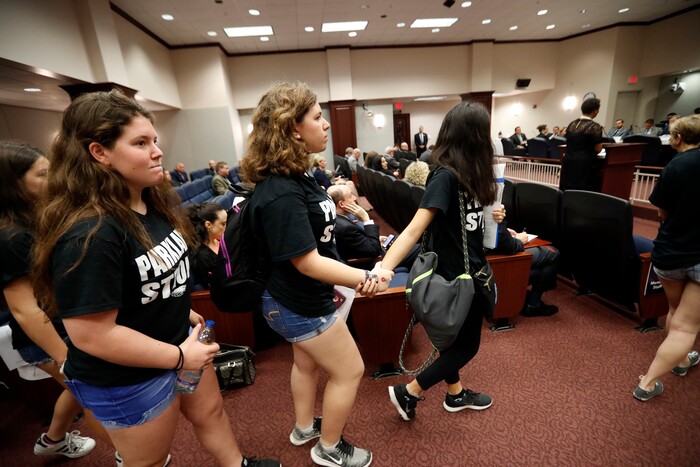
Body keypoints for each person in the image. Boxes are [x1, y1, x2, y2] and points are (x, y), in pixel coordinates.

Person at [31, 90, 279, 467]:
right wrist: (180, 356)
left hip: (178, 344)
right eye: (140, 143)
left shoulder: (151, 202)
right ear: (99, 152)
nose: (157, 151)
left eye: (155, 140)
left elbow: (153, 279)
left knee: (211, 414)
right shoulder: (92, 231)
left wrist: (179, 312)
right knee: (149, 460)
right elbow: (91, 334)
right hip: (129, 375)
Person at [239, 81, 394, 467]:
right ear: (293, 127)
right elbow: (306, 261)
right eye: (318, 117)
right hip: (297, 299)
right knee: (350, 369)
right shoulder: (281, 192)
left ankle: (305, 427)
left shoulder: (297, 175)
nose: (325, 125)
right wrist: (364, 278)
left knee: (306, 363)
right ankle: (328, 448)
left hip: (296, 297)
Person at [378, 101, 497, 421]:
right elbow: (414, 229)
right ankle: (410, 391)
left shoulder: (470, 175)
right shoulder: (444, 177)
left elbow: (474, 226)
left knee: (453, 342)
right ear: (475, 136)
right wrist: (383, 267)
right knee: (467, 346)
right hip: (457, 277)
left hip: (470, 269)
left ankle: (455, 394)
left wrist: (496, 215)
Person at [0, 141, 104, 461]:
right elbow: (24, 309)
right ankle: (132, 455)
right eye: (43, 174)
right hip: (47, 337)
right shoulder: (10, 236)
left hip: (65, 325)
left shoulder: (37, 218)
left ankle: (53, 439)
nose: (53, 179)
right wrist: (66, 357)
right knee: (95, 396)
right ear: (13, 185)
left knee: (76, 391)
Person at [633, 114, 700, 402]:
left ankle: (682, 360)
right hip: (697, 254)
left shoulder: (675, 166)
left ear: (677, 138)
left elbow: (661, 211)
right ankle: (647, 382)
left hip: (670, 251)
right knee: (687, 325)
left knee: (675, 311)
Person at [488, 205, 560, 317]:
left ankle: (526, 296)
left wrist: (504, 229)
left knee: (541, 268)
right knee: (553, 253)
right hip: (496, 262)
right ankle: (533, 305)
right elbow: (507, 246)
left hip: (482, 260)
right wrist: (518, 241)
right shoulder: (487, 196)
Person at [559, 98, 605, 192]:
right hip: (584, 163)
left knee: (567, 189)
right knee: (580, 191)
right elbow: (598, 149)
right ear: (595, 111)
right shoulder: (595, 126)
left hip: (568, 160)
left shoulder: (572, 124)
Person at [188, 202, 227, 289]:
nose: (227, 227)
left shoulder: (218, 240)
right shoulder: (202, 256)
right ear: (208, 225)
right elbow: (219, 285)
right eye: (223, 224)